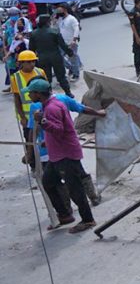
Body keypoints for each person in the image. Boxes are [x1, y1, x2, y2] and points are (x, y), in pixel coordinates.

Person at [30, 78, 97, 233]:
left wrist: (43, 122)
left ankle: (88, 220)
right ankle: (65, 214)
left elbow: (58, 130)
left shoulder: (52, 108)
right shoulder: (49, 105)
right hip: (57, 154)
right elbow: (61, 130)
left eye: (31, 93)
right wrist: (48, 141)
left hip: (65, 155)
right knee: (48, 182)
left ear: (39, 94)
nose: (29, 96)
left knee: (75, 189)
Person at [13, 50, 46, 165]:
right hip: (27, 117)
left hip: (42, 113)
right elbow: (17, 99)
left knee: (45, 137)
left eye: (33, 61)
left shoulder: (40, 72)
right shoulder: (16, 77)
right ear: (21, 63)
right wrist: (22, 117)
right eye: (28, 62)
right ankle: (33, 162)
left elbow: (46, 90)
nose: (32, 64)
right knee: (30, 139)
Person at [29, 15, 72, 96]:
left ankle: (49, 94)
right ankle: (68, 92)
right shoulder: (54, 31)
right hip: (56, 56)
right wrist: (69, 52)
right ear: (48, 22)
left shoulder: (34, 34)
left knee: (46, 78)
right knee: (61, 76)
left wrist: (32, 60)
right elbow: (63, 45)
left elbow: (31, 49)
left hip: (42, 58)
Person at [53, 5, 81, 82]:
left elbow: (76, 29)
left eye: (60, 11)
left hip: (71, 42)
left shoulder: (71, 19)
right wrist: (54, 21)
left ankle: (76, 74)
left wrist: (74, 40)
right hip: (62, 43)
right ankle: (71, 68)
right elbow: (56, 29)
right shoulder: (60, 19)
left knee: (73, 58)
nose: (58, 12)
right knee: (60, 58)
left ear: (65, 10)